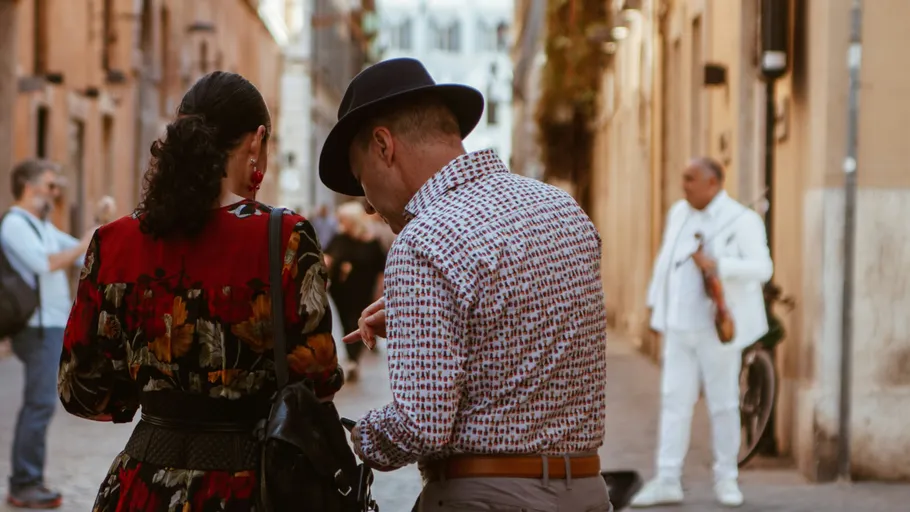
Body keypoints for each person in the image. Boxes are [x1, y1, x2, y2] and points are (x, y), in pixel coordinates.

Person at [319, 57, 610, 511]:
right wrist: (432, 318)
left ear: (383, 146)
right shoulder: (562, 209)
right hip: (587, 492)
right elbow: (532, 326)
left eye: (361, 181)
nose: (370, 207)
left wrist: (363, 434)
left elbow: (421, 424)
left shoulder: (423, 239)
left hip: (485, 497)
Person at [59, 71, 343, 511]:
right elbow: (318, 380)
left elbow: (83, 390)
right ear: (257, 141)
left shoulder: (114, 242)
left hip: (142, 486)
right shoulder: (285, 236)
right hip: (249, 488)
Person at [630, 157, 773, 508]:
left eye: (690, 179)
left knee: (723, 404)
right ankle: (667, 479)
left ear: (713, 183)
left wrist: (720, 265)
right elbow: (667, 260)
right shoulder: (679, 212)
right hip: (679, 325)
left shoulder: (743, 220)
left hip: (717, 327)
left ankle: (727, 479)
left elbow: (763, 268)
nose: (685, 185)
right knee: (674, 402)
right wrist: (655, 305)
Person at [1, 159, 93, 509]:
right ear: (30, 186)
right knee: (38, 404)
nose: (57, 193)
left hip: (53, 323)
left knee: (41, 404)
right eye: (51, 186)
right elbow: (44, 263)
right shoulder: (14, 224)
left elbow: (82, 252)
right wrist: (82, 241)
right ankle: (24, 483)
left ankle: (29, 480)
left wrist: (96, 230)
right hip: (35, 327)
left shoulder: (41, 225)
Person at [323, 201, 386, 381]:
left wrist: (380, 290)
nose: (341, 223)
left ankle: (354, 358)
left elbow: (381, 269)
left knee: (358, 320)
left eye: (344, 220)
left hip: (363, 290)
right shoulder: (339, 238)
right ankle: (351, 359)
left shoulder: (371, 241)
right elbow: (327, 256)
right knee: (345, 322)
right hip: (341, 292)